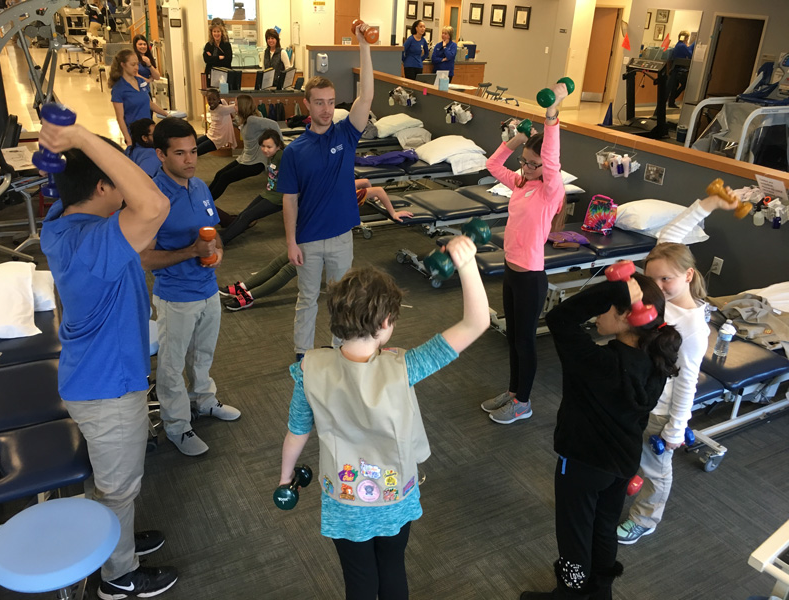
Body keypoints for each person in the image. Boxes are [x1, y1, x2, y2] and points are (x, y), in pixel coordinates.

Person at [278, 236, 490, 599]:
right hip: (395, 495)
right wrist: (467, 264)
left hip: (344, 499)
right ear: (387, 321)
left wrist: (285, 478)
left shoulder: (309, 369)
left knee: (359, 580)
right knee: (392, 569)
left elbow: (297, 432)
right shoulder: (405, 366)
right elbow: (476, 322)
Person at [39, 117, 177, 599]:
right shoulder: (93, 243)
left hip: (89, 378)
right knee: (119, 487)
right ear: (102, 186)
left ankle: (112, 536)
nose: (124, 189)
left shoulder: (60, 222)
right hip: (109, 391)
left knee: (112, 480)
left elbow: (112, 194)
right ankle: (117, 576)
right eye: (115, 183)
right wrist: (77, 138)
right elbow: (154, 205)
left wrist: (68, 154)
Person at [520, 275, 681, 600]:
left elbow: (560, 317)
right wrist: (618, 295)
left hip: (582, 464)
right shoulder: (655, 358)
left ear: (626, 316)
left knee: (574, 535)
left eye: (604, 307)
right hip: (622, 463)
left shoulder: (597, 362)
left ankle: (569, 595)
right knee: (603, 528)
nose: (595, 315)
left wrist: (614, 289)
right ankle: (600, 592)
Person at [616, 191, 736, 545]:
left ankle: (646, 518)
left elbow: (687, 382)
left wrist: (675, 429)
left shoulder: (693, 328)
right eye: (652, 280)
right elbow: (672, 232)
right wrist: (709, 205)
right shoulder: (663, 277)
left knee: (655, 468)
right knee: (629, 449)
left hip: (662, 406)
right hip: (639, 390)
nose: (658, 286)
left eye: (666, 280)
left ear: (688, 275)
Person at [140, 117, 241, 457]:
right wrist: (190, 252)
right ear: (161, 155)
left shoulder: (198, 186)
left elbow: (213, 230)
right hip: (175, 296)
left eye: (193, 151)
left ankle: (204, 401)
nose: (190, 160)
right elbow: (144, 258)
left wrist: (218, 252)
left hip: (208, 288)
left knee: (204, 355)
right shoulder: (153, 199)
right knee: (171, 365)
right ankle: (178, 427)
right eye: (180, 153)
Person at [277, 26, 375, 362]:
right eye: (319, 103)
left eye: (331, 103)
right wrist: (290, 242)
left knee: (341, 301)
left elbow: (367, 97)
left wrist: (364, 46)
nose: (326, 109)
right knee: (307, 298)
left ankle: (338, 351)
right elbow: (289, 199)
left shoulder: (346, 135)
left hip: (341, 237)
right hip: (307, 238)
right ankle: (302, 355)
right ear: (307, 104)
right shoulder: (295, 151)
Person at [480, 81, 568, 424]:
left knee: (525, 340)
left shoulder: (549, 191)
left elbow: (551, 157)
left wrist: (551, 116)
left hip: (531, 277)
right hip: (511, 271)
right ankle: (514, 390)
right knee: (513, 337)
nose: (526, 168)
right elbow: (492, 164)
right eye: (524, 162)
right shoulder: (521, 184)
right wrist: (516, 139)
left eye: (533, 164)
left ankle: (525, 401)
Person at [219, 174, 413, 310]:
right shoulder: (331, 189)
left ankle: (250, 297)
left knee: (288, 270)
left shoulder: (348, 194)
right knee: (279, 262)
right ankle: (244, 286)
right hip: (309, 236)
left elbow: (376, 189)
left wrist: (393, 212)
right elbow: (370, 184)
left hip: (326, 244)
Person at [207, 95, 281, 226]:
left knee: (225, 178)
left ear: (242, 106)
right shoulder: (245, 120)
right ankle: (203, 201)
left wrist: (279, 146)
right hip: (244, 158)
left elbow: (274, 124)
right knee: (220, 174)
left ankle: (204, 205)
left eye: (235, 104)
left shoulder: (253, 120)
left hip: (254, 163)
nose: (234, 107)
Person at [110, 49, 169, 147]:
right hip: (135, 133)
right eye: (133, 65)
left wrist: (166, 114)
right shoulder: (119, 89)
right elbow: (120, 118)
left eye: (137, 64)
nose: (136, 68)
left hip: (148, 130)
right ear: (123, 65)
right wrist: (128, 139)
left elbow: (149, 103)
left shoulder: (141, 81)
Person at [196, 88, 237, 157]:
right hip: (210, 134)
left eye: (214, 99)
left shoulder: (222, 109)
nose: (211, 102)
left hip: (218, 139)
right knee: (192, 145)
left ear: (218, 100)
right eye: (209, 99)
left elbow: (236, 106)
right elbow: (223, 101)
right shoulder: (210, 108)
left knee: (195, 151)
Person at [667, 32, 695, 108]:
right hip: (680, 69)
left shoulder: (678, 45)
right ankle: (672, 98)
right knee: (684, 84)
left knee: (674, 86)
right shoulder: (682, 46)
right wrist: (693, 45)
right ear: (686, 38)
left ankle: (671, 101)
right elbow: (690, 54)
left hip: (675, 69)